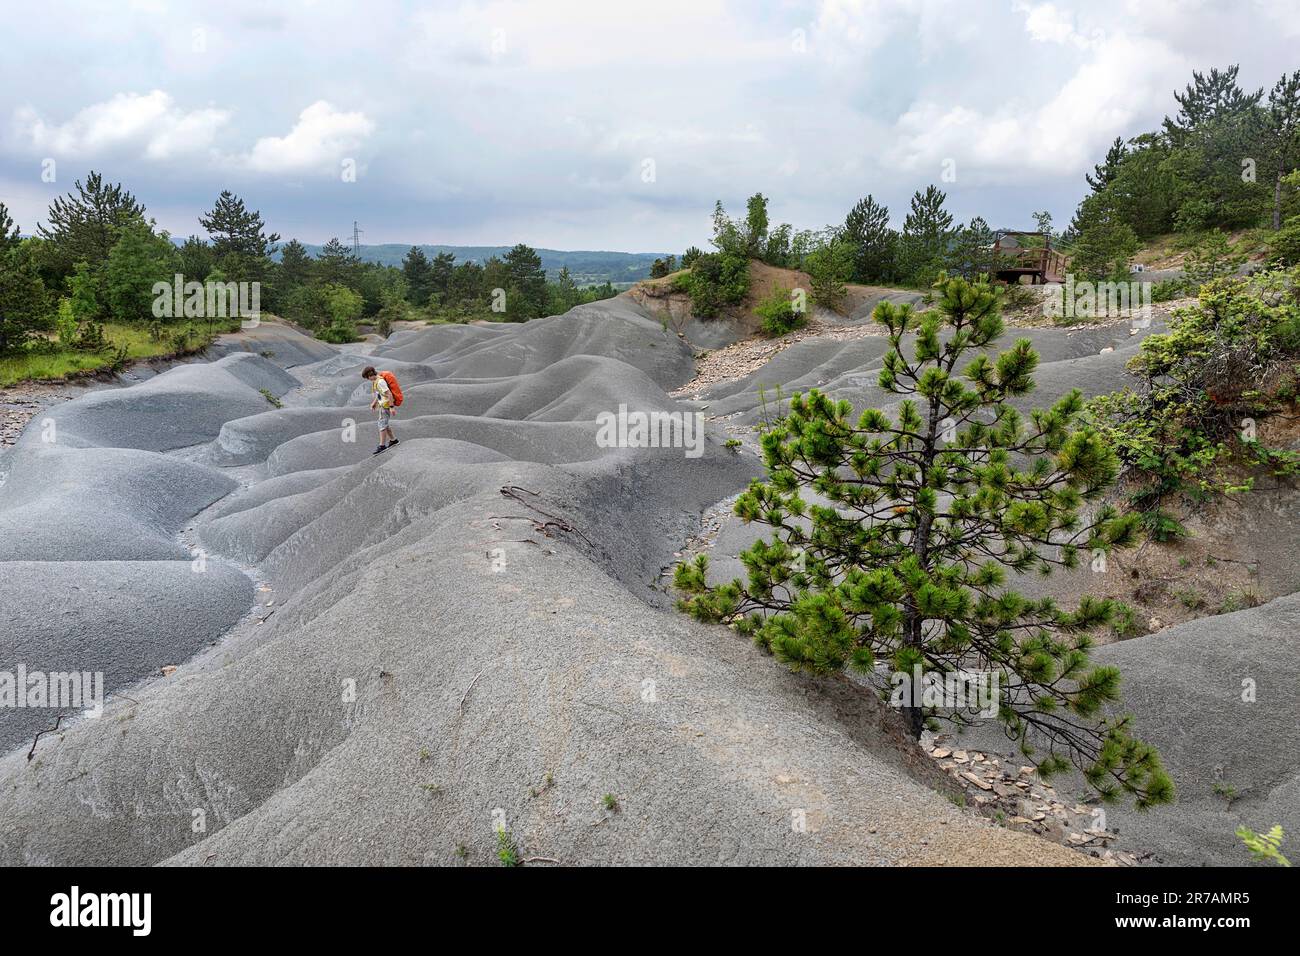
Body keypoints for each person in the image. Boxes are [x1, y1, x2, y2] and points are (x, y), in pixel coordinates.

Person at [362, 366, 400, 455]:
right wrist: (374, 403)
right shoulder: (377, 381)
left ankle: (382, 446)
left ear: (370, 375)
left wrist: (391, 407)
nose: (368, 379)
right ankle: (393, 440)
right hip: (382, 405)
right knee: (384, 424)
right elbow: (379, 394)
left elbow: (389, 394)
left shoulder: (380, 382)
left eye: (367, 378)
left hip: (385, 406)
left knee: (381, 425)